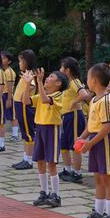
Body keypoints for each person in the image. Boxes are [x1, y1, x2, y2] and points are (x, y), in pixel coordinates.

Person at [79, 63, 110, 218]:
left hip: (104, 141)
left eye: (87, 78)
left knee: (107, 177)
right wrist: (82, 137)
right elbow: (91, 125)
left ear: (94, 81)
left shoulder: (105, 100)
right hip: (95, 141)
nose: (86, 81)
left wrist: (90, 143)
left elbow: (107, 126)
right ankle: (98, 211)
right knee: (98, 177)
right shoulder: (94, 100)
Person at [22, 68, 68, 208]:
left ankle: (56, 195)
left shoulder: (59, 95)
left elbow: (44, 99)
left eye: (51, 76)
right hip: (40, 129)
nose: (47, 78)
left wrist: (39, 82)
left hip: (51, 130)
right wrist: (27, 84)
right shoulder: (43, 92)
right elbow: (26, 101)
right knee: (40, 162)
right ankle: (44, 192)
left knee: (51, 163)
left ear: (58, 83)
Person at [58, 57, 90, 184]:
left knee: (75, 146)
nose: (60, 69)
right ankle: (67, 169)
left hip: (74, 116)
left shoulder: (74, 81)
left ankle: (77, 173)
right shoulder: (66, 83)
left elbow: (84, 94)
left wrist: (74, 102)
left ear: (68, 70)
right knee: (64, 145)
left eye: (62, 67)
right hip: (66, 117)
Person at [11, 50, 37, 170]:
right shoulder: (26, 73)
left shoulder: (30, 74)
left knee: (28, 134)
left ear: (27, 61)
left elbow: (32, 85)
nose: (19, 63)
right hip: (19, 106)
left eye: (21, 60)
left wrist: (23, 96)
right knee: (25, 134)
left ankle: (29, 161)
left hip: (25, 106)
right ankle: (25, 158)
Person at [1, 51, 18, 141]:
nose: (1, 60)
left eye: (4, 58)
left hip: (8, 95)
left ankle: (15, 135)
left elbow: (10, 86)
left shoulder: (10, 72)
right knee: (1, 115)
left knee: (12, 116)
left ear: (9, 61)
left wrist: (9, 99)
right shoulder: (2, 71)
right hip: (2, 94)